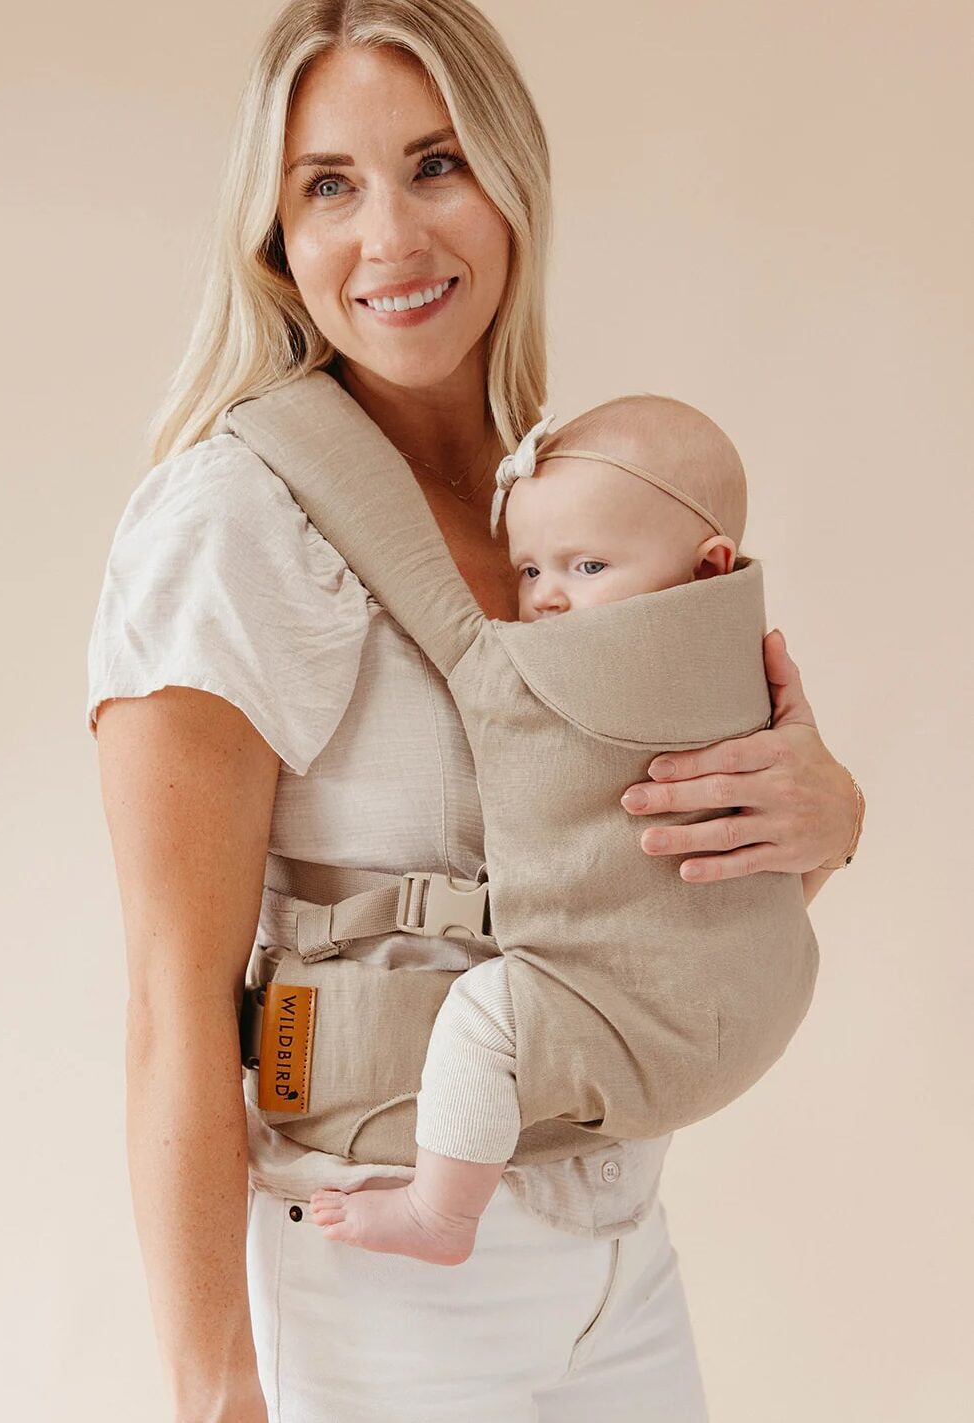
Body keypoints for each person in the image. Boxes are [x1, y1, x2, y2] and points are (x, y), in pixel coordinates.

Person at [86, 3, 864, 1418]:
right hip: (378, 1285)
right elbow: (167, 1001)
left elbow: (626, 879)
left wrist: (824, 816)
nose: (388, 236)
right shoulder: (230, 523)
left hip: (617, 1248)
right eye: (328, 185)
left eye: (433, 163)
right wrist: (214, 1394)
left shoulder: (569, 506)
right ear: (274, 238)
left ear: (510, 181)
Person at [308, 390, 813, 1268]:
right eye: (530, 569)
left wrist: (296, 420)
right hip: (769, 994)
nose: (544, 598)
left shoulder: (548, 676)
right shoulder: (740, 660)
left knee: (485, 1016)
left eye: (585, 566)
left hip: (637, 1027)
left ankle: (440, 1211)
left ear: (707, 568)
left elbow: (416, 583)